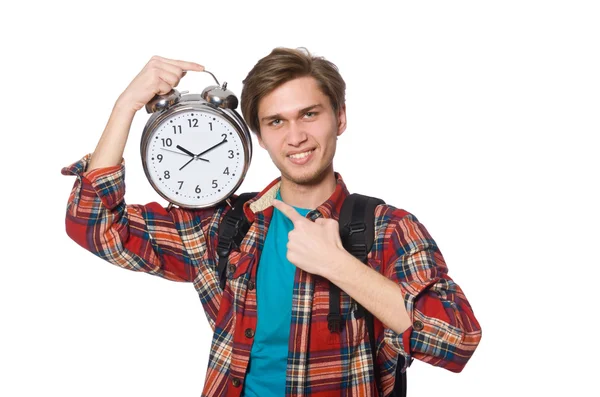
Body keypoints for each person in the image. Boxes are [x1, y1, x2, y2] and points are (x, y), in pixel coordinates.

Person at [62, 47, 482, 397]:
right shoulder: (226, 226)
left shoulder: (386, 230)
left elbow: (458, 340)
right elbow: (95, 226)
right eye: (276, 122)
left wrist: (339, 265)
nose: (295, 136)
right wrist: (126, 107)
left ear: (340, 118)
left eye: (309, 114)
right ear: (260, 137)